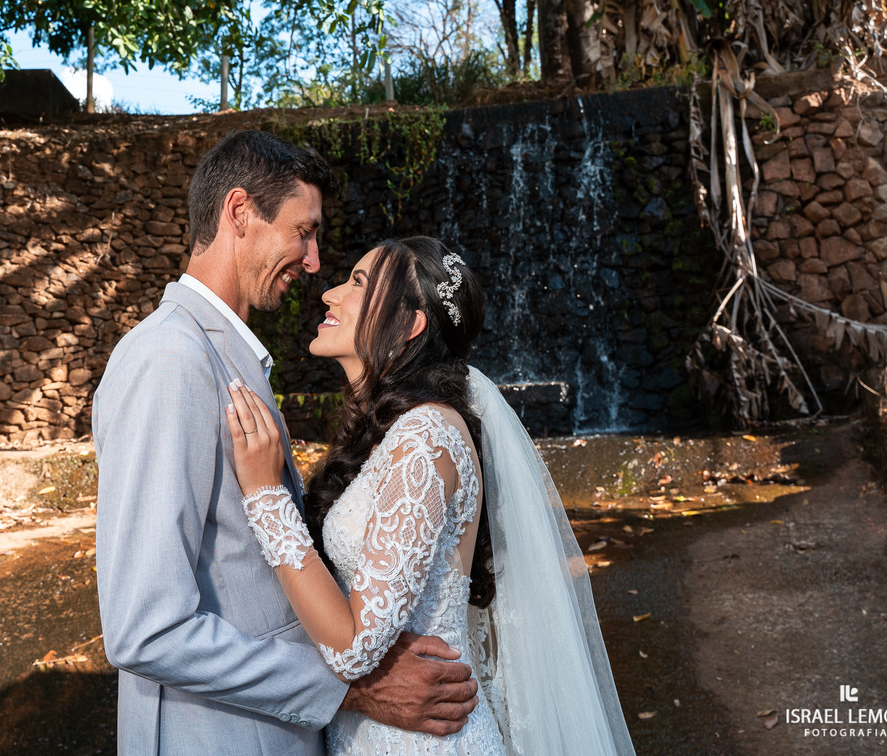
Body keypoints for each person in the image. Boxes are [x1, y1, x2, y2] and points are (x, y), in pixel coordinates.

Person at [92, 132, 480, 756]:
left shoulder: (229, 356)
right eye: (304, 231)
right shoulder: (170, 360)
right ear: (239, 213)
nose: (314, 261)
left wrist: (377, 631)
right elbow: (144, 629)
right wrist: (349, 687)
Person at [225, 236, 637, 755]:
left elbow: (354, 650)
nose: (329, 293)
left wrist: (265, 496)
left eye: (356, 283)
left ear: (409, 324)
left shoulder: (426, 439)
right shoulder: (387, 436)